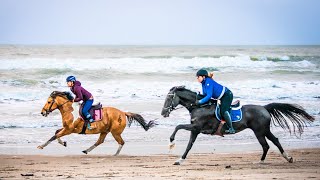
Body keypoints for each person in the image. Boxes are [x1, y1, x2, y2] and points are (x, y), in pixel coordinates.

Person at [195, 69, 235, 134]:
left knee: (223, 111)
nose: (197, 79)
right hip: (220, 97)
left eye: (198, 77)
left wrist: (200, 102)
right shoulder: (203, 83)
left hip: (227, 95)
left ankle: (231, 128)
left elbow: (209, 96)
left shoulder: (208, 82)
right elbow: (205, 95)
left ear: (203, 77)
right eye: (197, 77)